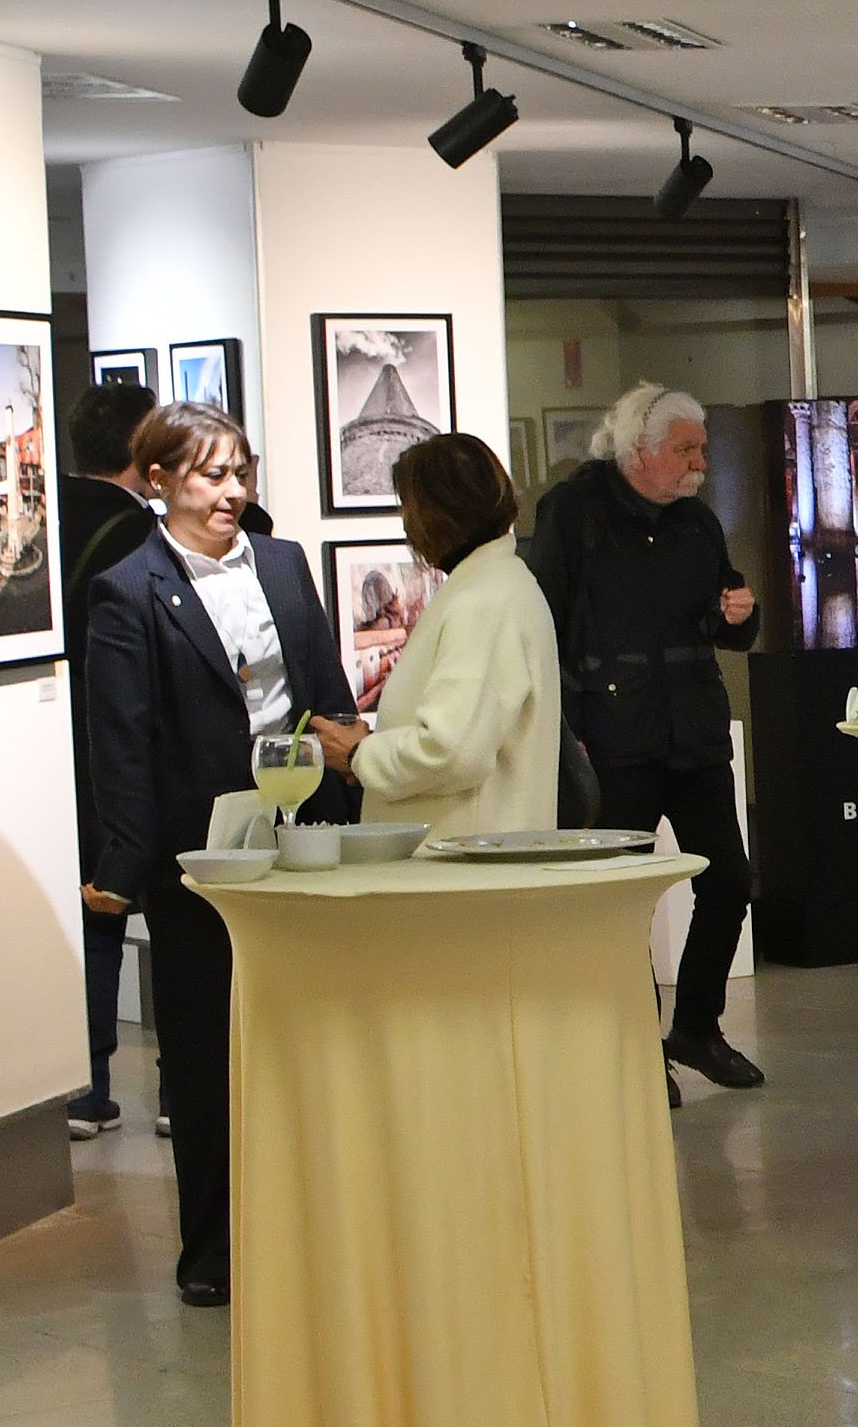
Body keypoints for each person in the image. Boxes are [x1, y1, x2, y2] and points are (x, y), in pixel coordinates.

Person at [75, 402, 362, 1305]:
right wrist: (123, 868)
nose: (233, 491)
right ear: (158, 483)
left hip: (304, 830)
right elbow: (120, 743)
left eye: (242, 472)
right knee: (203, 1055)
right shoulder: (127, 590)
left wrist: (351, 778)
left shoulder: (282, 565)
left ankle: (318, 1235)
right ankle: (213, 1252)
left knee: (313, 1037)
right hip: (197, 851)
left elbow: (323, 691)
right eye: (211, 474)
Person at [528, 382, 765, 1089]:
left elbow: (732, 623)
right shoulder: (572, 512)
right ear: (639, 452)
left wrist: (739, 614)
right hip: (611, 740)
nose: (699, 461)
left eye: (701, 448)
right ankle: (633, 1045)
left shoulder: (697, 522)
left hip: (692, 734)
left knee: (729, 883)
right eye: (685, 448)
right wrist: (564, 735)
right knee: (620, 904)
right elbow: (544, 626)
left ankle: (695, 1027)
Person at [345, 431, 559, 838]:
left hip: (462, 870)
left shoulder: (483, 600)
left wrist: (359, 754)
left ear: (438, 512)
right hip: (467, 864)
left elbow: (453, 752)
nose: (407, 525)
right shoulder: (494, 585)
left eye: (408, 507)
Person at [58, 376, 164, 1137]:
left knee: (91, 905)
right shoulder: (141, 539)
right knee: (165, 905)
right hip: (130, 744)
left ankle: (84, 1081)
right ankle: (176, 1089)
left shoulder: (41, 519)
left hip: (57, 748)